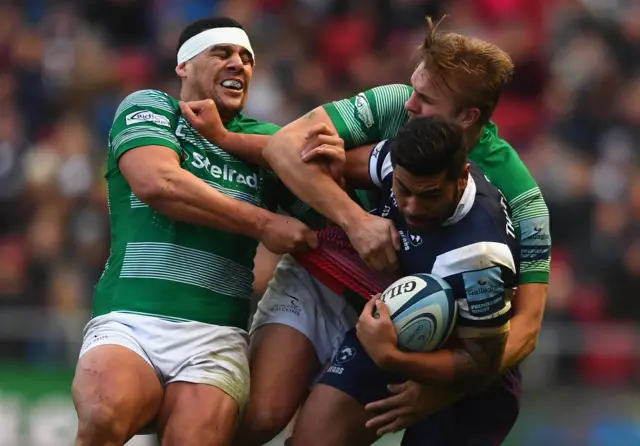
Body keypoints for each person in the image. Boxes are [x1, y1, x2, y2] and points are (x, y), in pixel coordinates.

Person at [184, 16, 550, 445]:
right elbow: (289, 147)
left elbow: (526, 326)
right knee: (261, 416)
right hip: (331, 278)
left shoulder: (521, 201)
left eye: (425, 98)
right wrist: (356, 222)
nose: (409, 105)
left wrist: (440, 388)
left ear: (467, 117)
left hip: (423, 331)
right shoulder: (398, 114)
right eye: (414, 89)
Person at [71, 17, 319, 446]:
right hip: (132, 320)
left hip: (215, 336)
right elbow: (158, 184)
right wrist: (263, 222)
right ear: (183, 66)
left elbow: (319, 215)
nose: (238, 64)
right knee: (102, 416)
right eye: (221, 53)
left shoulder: (265, 142)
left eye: (247, 58)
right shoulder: (150, 107)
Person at [291, 115, 519, 445]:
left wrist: (393, 359)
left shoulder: (480, 258)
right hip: (393, 326)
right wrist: (352, 212)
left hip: (465, 383)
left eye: (429, 196)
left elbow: (481, 363)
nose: (411, 207)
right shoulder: (395, 159)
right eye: (403, 190)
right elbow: (327, 167)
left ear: (461, 178)